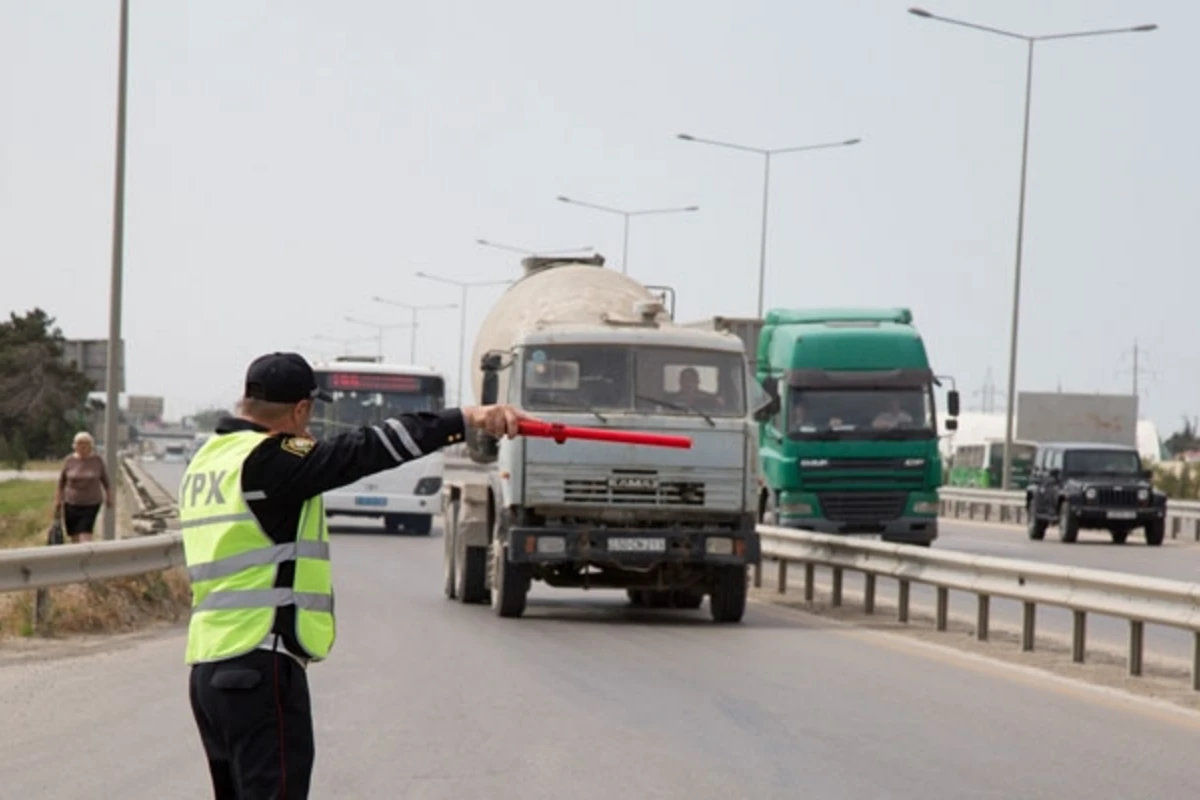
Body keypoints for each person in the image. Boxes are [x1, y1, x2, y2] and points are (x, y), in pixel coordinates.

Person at [181, 351, 534, 799]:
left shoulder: (208, 461)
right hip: (258, 662)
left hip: (208, 670)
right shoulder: (270, 461)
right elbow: (366, 449)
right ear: (301, 409)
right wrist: (466, 417)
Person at [53, 431, 112, 544]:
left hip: (91, 503)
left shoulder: (97, 460)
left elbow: (105, 481)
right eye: (79, 444)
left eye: (86, 444)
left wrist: (109, 496)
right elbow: (61, 483)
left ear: (91, 445)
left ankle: (87, 556)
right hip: (71, 503)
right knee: (74, 535)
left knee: (85, 533)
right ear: (75, 446)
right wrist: (58, 501)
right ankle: (77, 558)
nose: (82, 447)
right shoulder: (69, 461)